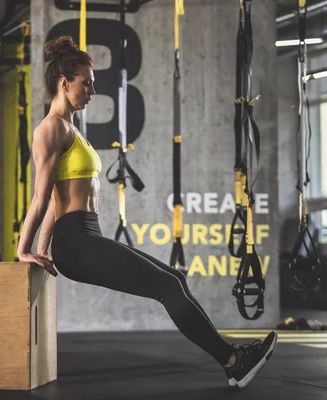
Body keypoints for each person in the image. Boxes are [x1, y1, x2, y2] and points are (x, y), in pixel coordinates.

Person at [17, 35, 277, 389]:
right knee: (167, 286)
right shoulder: (50, 129)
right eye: (87, 83)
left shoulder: (72, 129)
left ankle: (233, 360)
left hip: (82, 235)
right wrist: (25, 247)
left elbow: (56, 201)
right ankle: (233, 362)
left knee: (175, 278)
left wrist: (43, 248)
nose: (92, 91)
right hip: (76, 242)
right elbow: (41, 197)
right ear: (65, 83)